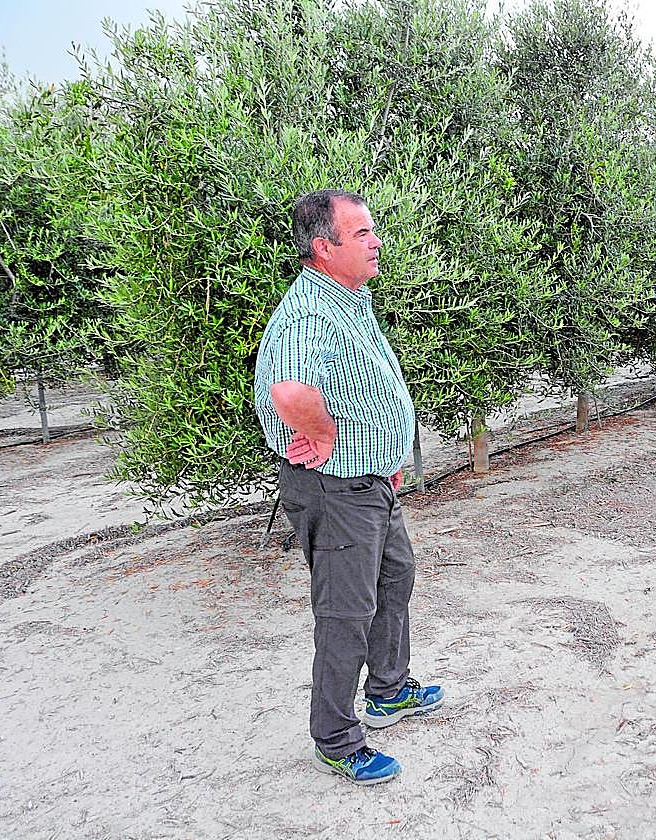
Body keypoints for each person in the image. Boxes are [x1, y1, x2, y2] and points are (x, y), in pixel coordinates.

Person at [253, 189, 442, 785]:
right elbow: (288, 392)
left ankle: (387, 689)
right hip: (335, 488)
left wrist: (382, 450)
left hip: (370, 481)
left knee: (395, 574)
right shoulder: (309, 313)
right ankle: (335, 737)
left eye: (371, 231)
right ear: (323, 248)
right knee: (345, 610)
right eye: (360, 233)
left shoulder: (350, 300)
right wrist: (331, 440)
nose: (375, 240)